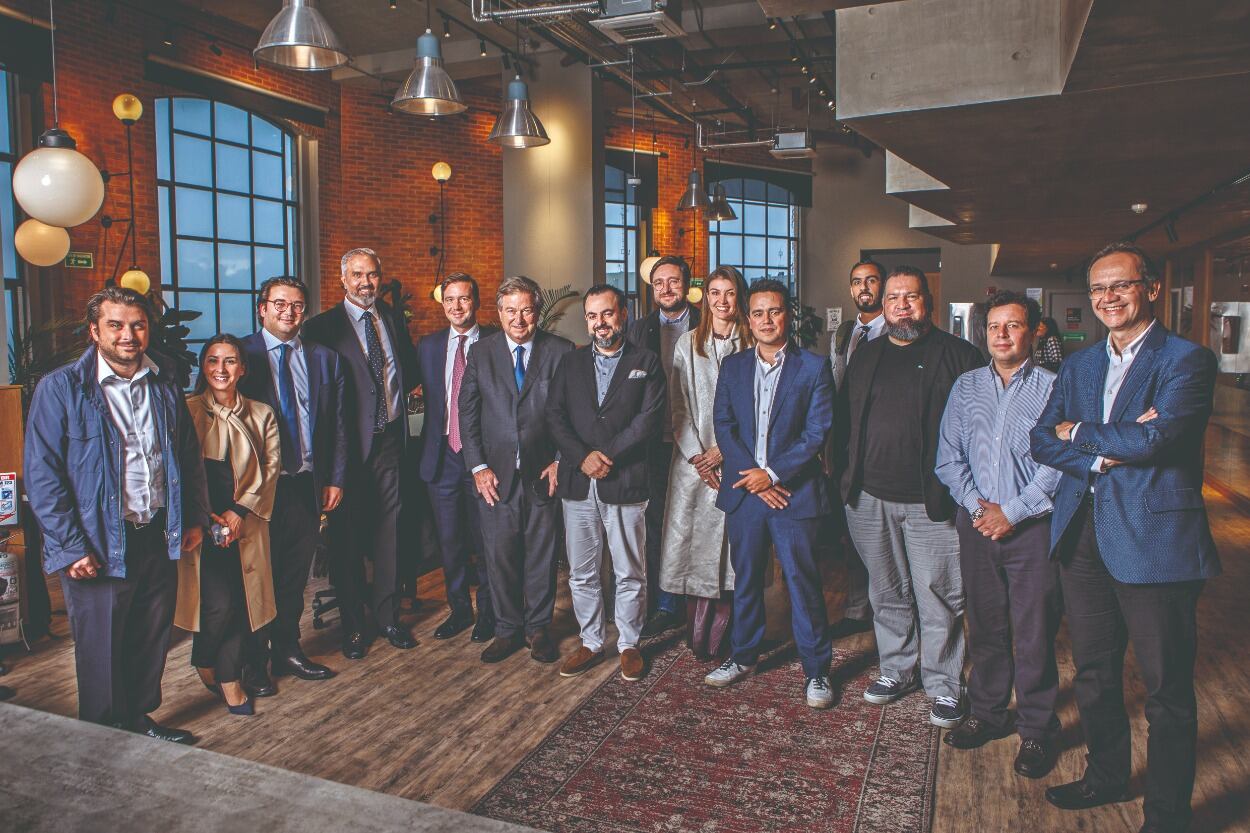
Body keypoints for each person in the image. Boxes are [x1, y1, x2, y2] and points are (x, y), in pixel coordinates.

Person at [1031, 242, 1220, 833]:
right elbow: (1042, 438)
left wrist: (1083, 433)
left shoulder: (1186, 360)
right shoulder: (1081, 363)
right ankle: (1106, 776)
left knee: (1166, 692)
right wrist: (1102, 452)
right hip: (1082, 535)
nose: (1108, 298)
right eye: (1098, 290)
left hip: (1155, 542)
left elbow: (1157, 442)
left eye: (1121, 286)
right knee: (1093, 671)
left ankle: (1167, 819)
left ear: (1152, 289)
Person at [24, 286, 208, 742]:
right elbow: (43, 474)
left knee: (150, 632)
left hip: (156, 531)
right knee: (101, 644)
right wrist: (69, 547)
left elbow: (187, 456)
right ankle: (103, 732)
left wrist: (192, 518)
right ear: (95, 331)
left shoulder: (164, 382)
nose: (128, 334)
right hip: (97, 540)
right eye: (116, 325)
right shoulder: (62, 388)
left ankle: (139, 718)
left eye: (138, 325)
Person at [836, 265, 984, 728]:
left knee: (938, 595)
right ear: (883, 306)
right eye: (894, 297)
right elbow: (844, 419)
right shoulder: (866, 354)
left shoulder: (960, 355)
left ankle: (944, 684)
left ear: (928, 303)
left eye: (912, 297)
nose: (903, 305)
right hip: (868, 497)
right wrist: (842, 476)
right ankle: (897, 670)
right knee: (886, 592)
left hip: (932, 502)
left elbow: (980, 431)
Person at [935, 291, 1063, 777]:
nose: (1002, 335)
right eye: (994, 327)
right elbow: (948, 457)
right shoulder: (966, 387)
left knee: (1033, 632)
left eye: (1013, 326)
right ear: (983, 332)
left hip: (1032, 528)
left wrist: (1011, 511)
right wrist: (977, 507)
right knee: (986, 626)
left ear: (1033, 332)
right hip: (977, 526)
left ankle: (1036, 729)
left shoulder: (1055, 388)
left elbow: (1058, 465)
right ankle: (988, 712)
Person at [703, 279, 836, 709]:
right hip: (746, 493)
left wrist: (774, 475)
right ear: (748, 318)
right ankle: (743, 657)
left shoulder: (813, 368)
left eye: (774, 311)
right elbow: (723, 425)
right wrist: (754, 478)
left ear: (787, 316)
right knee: (746, 580)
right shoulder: (734, 367)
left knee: (802, 581)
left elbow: (816, 434)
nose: (765, 320)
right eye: (757, 313)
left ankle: (817, 670)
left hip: (793, 494)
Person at [303, 248, 421, 658]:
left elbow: (405, 375)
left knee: (389, 534)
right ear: (343, 279)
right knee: (347, 540)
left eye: (372, 274)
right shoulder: (320, 328)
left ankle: (388, 618)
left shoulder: (389, 317)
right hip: (345, 450)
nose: (365, 282)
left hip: (388, 440)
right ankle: (354, 626)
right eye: (357, 275)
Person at [548, 284, 666, 681]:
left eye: (608, 314)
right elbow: (555, 417)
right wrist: (582, 457)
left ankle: (629, 644)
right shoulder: (570, 363)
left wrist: (607, 455)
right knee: (581, 572)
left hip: (625, 480)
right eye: (593, 316)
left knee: (629, 569)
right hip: (577, 482)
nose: (600, 323)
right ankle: (591, 640)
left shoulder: (646, 361)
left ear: (624, 314)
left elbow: (648, 421)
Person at [238, 276, 346, 691]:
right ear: (262, 308)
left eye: (298, 305)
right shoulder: (239, 355)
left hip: (303, 483)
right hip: (254, 491)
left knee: (291, 576)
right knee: (254, 577)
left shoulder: (323, 358)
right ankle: (252, 661)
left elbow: (335, 425)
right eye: (279, 304)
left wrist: (334, 477)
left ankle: (287, 648)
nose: (289, 311)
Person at [460, 276, 574, 664]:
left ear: (537, 310)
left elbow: (570, 413)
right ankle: (507, 629)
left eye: (526, 310)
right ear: (499, 313)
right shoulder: (481, 353)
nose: (519, 319)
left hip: (544, 473)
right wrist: (477, 467)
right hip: (495, 476)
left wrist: (561, 460)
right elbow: (468, 413)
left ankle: (538, 629)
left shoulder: (560, 351)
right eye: (510, 311)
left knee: (542, 556)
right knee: (500, 555)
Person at [174, 335, 281, 716]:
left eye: (231, 361)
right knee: (216, 606)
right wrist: (203, 518)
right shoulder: (184, 411)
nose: (221, 369)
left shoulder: (261, 413)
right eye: (213, 361)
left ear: (243, 369)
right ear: (202, 367)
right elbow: (178, 472)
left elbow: (270, 470)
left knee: (242, 605)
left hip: (246, 523)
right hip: (201, 527)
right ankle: (205, 658)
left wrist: (239, 511)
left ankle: (228, 678)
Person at [659, 266, 752, 659]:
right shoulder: (687, 344)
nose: (722, 301)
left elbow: (758, 409)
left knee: (734, 551)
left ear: (739, 296)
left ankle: (731, 631)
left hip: (738, 459)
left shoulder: (751, 343)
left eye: (729, 293)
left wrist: (723, 452)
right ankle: (698, 630)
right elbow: (677, 405)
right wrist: (700, 456)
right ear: (705, 298)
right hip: (692, 463)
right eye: (715, 292)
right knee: (692, 547)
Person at [415, 273, 496, 642]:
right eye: (450, 299)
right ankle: (460, 609)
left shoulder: (497, 341)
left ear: (476, 302)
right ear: (442, 303)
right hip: (442, 455)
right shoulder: (428, 346)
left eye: (463, 299)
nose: (457, 306)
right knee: (450, 541)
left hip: (484, 457)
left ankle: (490, 614)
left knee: (486, 541)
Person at [627, 255, 700, 637]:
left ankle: (702, 603)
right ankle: (666, 603)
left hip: (701, 443)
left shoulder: (708, 323)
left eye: (674, 281)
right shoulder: (638, 330)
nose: (667, 289)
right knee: (657, 523)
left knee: (698, 522)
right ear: (652, 289)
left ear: (686, 285)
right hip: (655, 442)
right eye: (659, 283)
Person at [827, 258, 887, 640]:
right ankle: (856, 606)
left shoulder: (896, 331)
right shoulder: (844, 333)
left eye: (871, 280)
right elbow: (834, 389)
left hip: (882, 444)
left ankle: (889, 616)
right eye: (856, 282)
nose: (863, 287)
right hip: (846, 445)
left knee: (885, 537)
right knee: (852, 533)